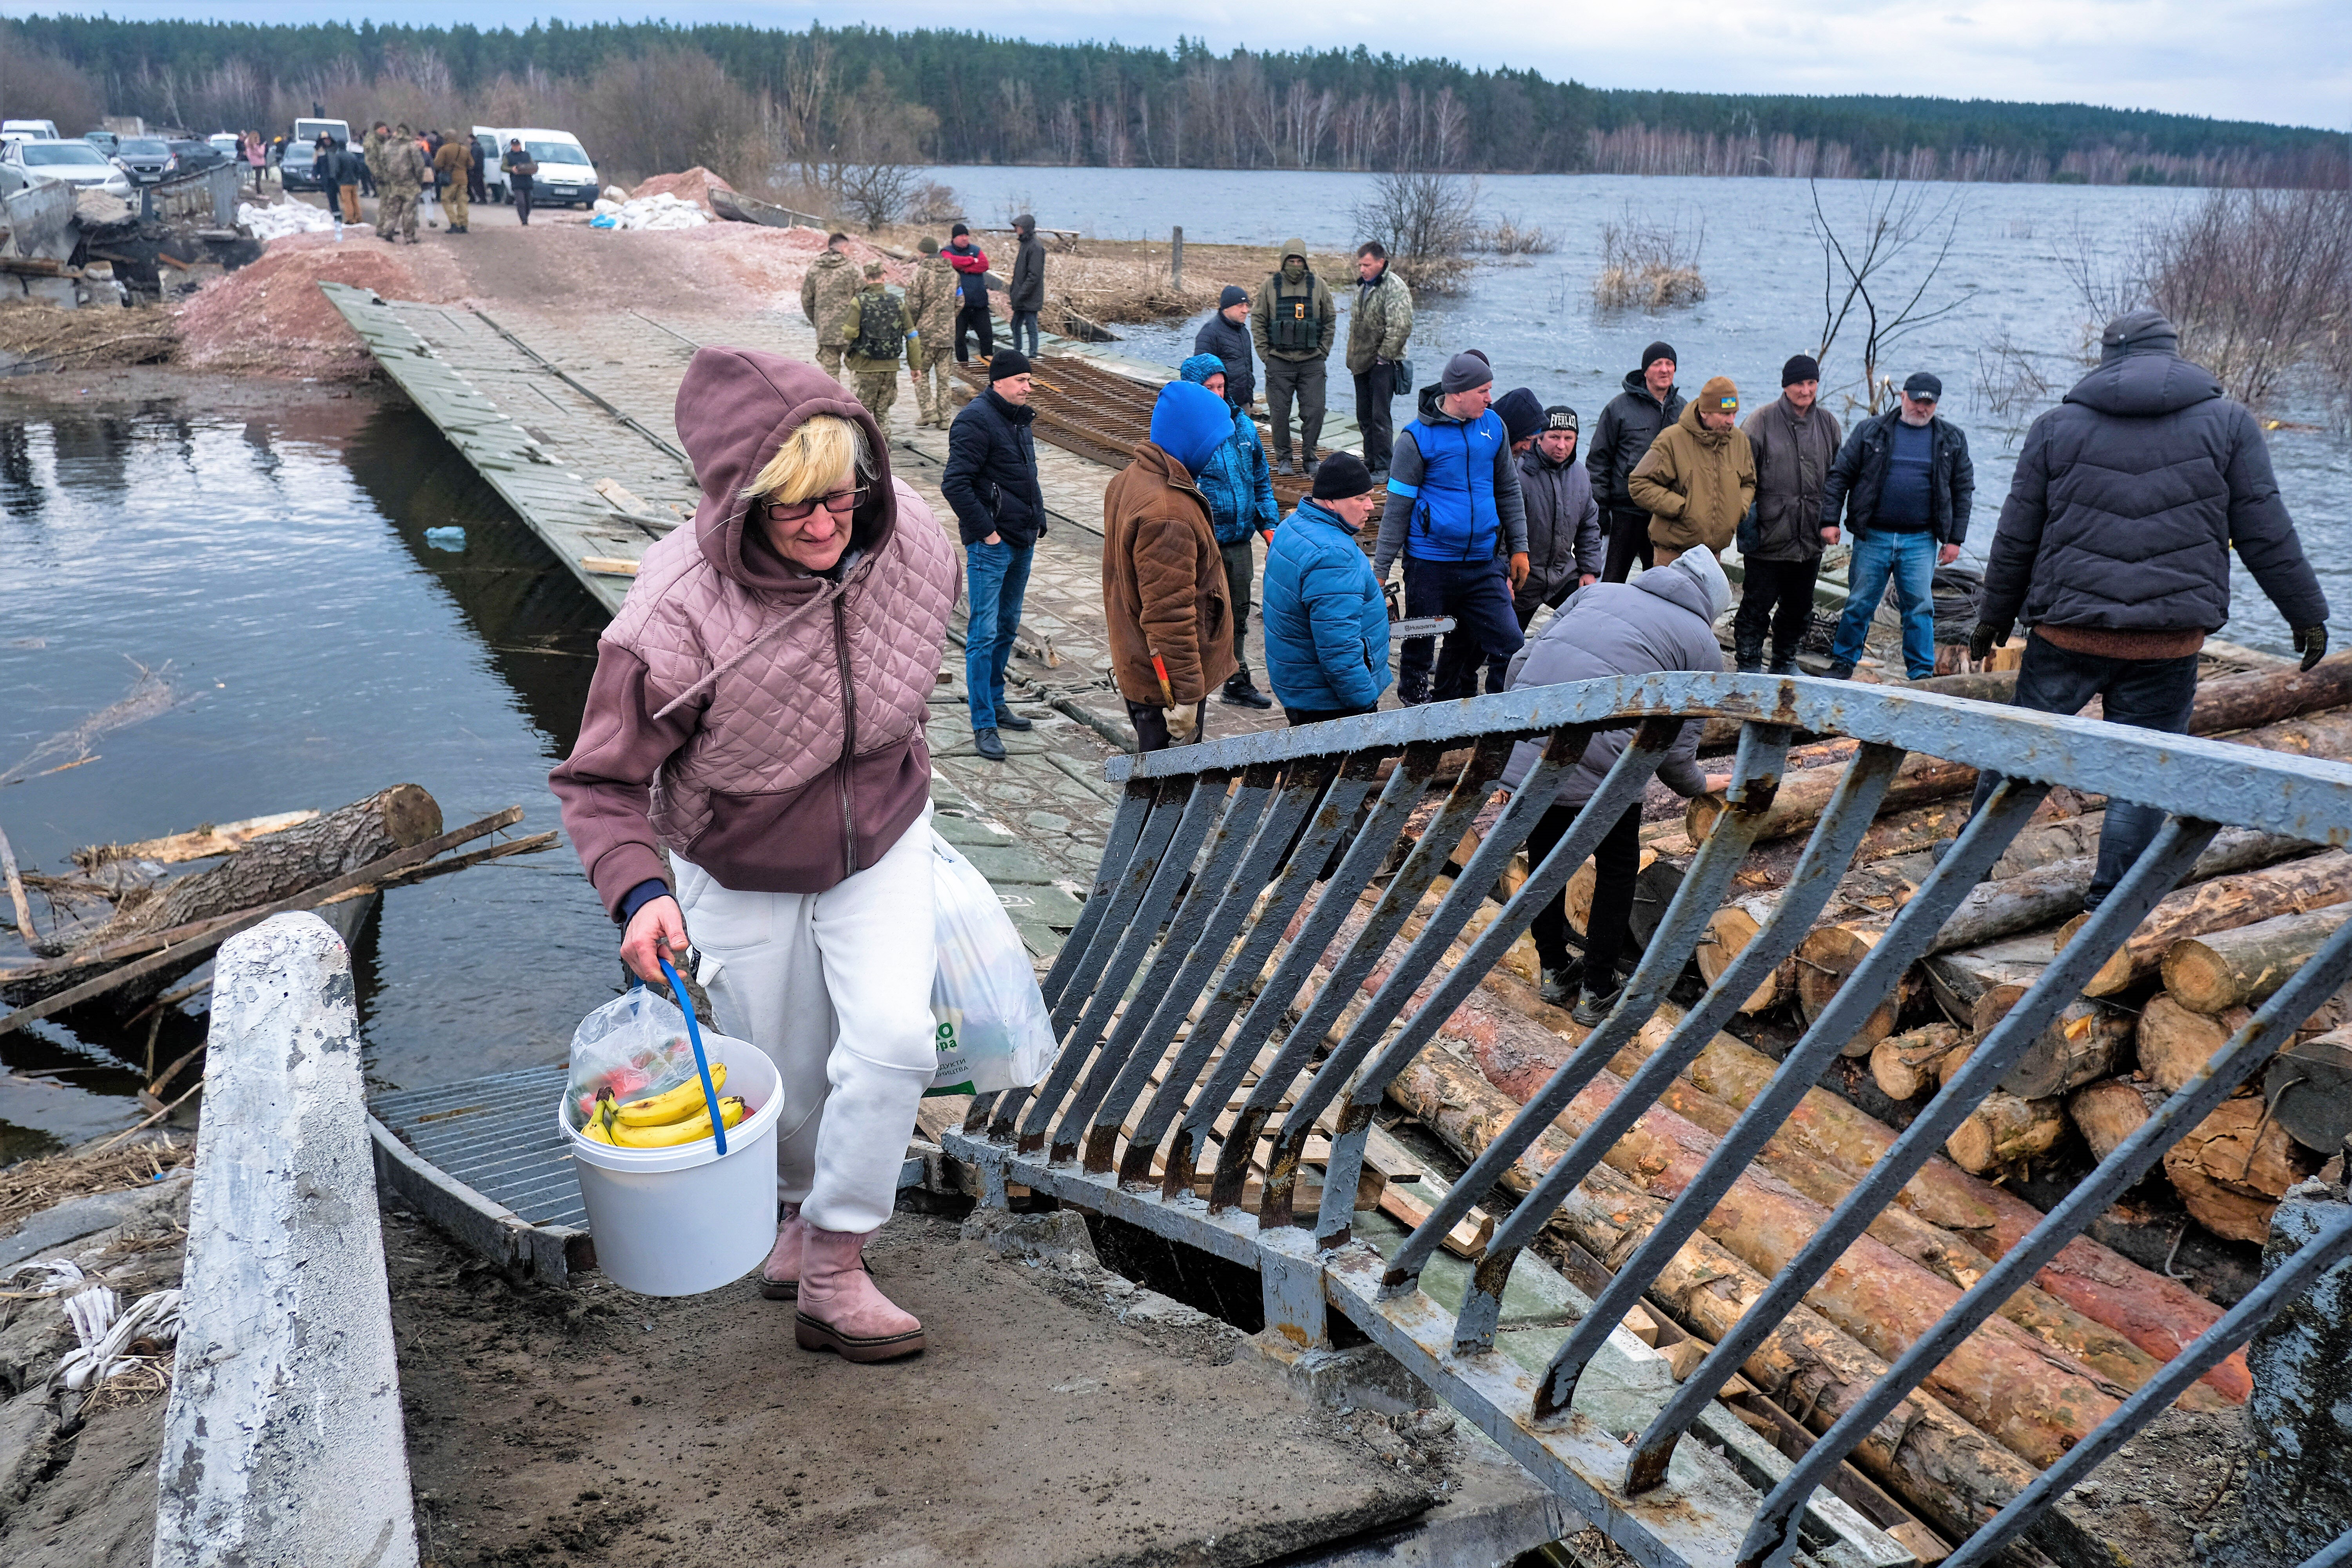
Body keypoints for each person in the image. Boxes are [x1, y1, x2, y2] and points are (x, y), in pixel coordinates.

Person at [548, 348, 958, 1363]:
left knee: (895, 1041)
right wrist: (639, 891)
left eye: (842, 495)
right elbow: (598, 782)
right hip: (736, 858)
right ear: (741, 502)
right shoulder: (673, 612)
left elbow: (908, 668)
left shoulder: (915, 540)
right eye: (793, 507)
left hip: (883, 831)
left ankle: (834, 1263)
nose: (825, 525)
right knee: (788, 1079)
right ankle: (791, 1212)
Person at [1967, 308, 2330, 910]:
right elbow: (2266, 530)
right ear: (2173, 353)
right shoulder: (2230, 424)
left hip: (2069, 631)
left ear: (2108, 358)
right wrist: (2306, 613)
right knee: (2143, 771)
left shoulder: (2056, 426)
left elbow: (2017, 534)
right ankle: (2109, 905)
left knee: (2023, 751)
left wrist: (1993, 617)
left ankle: (1967, 865)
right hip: (2169, 637)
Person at [1501, 548, 1733, 1019]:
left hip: (1532, 741)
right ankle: (1597, 987)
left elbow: (1520, 661)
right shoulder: (1703, 644)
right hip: (1604, 766)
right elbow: (1677, 757)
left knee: (1546, 854)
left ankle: (1553, 969)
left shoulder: (1598, 592)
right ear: (1711, 604)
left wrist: (1517, 740)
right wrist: (1705, 782)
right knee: (1617, 867)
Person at [1374, 352, 1529, 704]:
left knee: (1511, 645)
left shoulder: (1494, 427)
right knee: (1420, 645)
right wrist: (1380, 571)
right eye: (1483, 391)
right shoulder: (1415, 439)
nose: (1490, 398)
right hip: (1430, 564)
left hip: (1482, 564)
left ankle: (1502, 712)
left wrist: (1520, 548)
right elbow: (1397, 510)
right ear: (1457, 393)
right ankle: (1414, 704)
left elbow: (1508, 490)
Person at [1103, 380, 1240, 751]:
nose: (1216, 451)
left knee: (1157, 783)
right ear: (1191, 437)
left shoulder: (1130, 479)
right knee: (1169, 787)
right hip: (1164, 689)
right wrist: (1186, 697)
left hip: (1143, 665)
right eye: (1212, 441)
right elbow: (1169, 616)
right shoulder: (1168, 514)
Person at [1821, 371, 1975, 680]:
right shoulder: (1870, 431)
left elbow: (1963, 491)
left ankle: (1920, 673)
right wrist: (1829, 521)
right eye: (1916, 401)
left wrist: (1955, 540)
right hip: (1872, 536)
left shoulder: (1952, 439)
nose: (1922, 408)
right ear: (1903, 397)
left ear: (1936, 405)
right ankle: (1843, 663)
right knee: (1859, 603)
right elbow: (1840, 477)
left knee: (1919, 608)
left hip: (1921, 540)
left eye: (1929, 404)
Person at [942, 350, 1046, 763]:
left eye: (1030, 380)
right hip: (992, 545)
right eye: (1021, 380)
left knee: (1006, 627)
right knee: (982, 634)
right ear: (998, 381)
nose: (1028, 387)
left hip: (1023, 539)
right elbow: (956, 484)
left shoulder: (1019, 419)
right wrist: (988, 533)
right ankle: (983, 722)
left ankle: (998, 702)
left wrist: (1038, 519)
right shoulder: (975, 419)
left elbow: (1025, 477)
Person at [1176, 353, 1279, 710]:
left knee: (1238, 613)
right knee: (1199, 614)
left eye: (1221, 387)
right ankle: (1192, 683)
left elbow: (1261, 481)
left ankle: (1236, 679)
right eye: (1209, 388)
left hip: (1239, 541)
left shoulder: (1244, 427)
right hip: (1202, 542)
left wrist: (1269, 526)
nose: (1217, 394)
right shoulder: (1184, 432)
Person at [1261, 452, 1391, 725]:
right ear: (1331, 502)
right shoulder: (1333, 554)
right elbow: (1338, 650)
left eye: (1370, 496)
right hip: (1329, 702)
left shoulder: (1292, 526)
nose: (1370, 506)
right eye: (1360, 499)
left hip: (1300, 686)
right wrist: (1365, 702)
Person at [1735, 355, 1842, 674]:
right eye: (1798, 384)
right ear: (1785, 386)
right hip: (1768, 536)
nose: (1805, 390)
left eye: (1811, 383)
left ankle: (1784, 662)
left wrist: (1831, 520)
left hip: (1810, 536)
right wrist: (1748, 529)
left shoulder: (1828, 424)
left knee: (1799, 608)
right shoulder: (1760, 422)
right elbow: (1740, 478)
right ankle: (1749, 664)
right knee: (1756, 605)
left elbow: (1838, 478)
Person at [1628, 376, 1755, 569]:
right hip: (1673, 553)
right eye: (1725, 414)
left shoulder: (1739, 441)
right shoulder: (1672, 439)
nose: (1731, 421)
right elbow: (1639, 484)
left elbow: (1748, 482)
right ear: (1704, 412)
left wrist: (1739, 508)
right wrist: (1681, 508)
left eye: (1734, 413)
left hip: (1713, 555)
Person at [1586, 342, 1685, 583]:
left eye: (1670, 364)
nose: (1664, 370)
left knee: (1660, 584)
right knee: (1610, 583)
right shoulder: (1619, 408)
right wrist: (1600, 509)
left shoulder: (1684, 410)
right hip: (1624, 512)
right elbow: (1599, 460)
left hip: (1663, 514)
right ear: (1645, 371)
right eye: (1658, 364)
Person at [1253, 238, 1335, 477]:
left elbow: (1330, 319)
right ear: (1283, 261)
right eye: (1291, 260)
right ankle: (1284, 459)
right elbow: (1258, 320)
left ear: (1306, 261)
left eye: (1300, 260)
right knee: (1279, 413)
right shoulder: (1270, 286)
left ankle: (1310, 457)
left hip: (1312, 362)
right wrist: (1266, 355)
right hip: (1279, 361)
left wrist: (1323, 351)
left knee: (1315, 412)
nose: (1296, 265)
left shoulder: (1319, 285)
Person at [1515, 405, 1603, 622]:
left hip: (1562, 575)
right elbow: (1502, 532)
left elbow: (1589, 528)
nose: (1562, 446)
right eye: (1554, 437)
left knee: (1593, 621)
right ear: (1539, 438)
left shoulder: (1581, 475)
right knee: (1508, 641)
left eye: (1569, 438)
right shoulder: (1517, 472)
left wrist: (1589, 571)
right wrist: (1503, 577)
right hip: (1522, 579)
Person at [1346, 242, 1414, 478]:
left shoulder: (1394, 287)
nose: (1362, 269)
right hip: (1362, 362)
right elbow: (1355, 327)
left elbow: (1401, 326)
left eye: (1367, 265)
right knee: (1364, 415)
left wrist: (1384, 357)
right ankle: (1371, 461)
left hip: (1385, 364)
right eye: (1360, 265)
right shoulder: (1363, 288)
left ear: (1381, 263)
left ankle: (1385, 466)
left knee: (1380, 416)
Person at [840, 261, 908, 428]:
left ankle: (864, 442)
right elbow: (912, 335)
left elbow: (850, 332)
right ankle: (885, 441)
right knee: (883, 411)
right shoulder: (898, 302)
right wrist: (916, 366)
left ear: (866, 278)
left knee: (861, 413)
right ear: (884, 277)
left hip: (865, 366)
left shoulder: (859, 301)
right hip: (890, 366)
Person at [904, 236, 959, 429]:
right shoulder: (953, 274)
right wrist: (948, 319)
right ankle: (945, 418)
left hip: (925, 334)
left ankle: (928, 411)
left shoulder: (921, 273)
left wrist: (911, 326)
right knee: (944, 378)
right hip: (947, 335)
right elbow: (960, 301)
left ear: (923, 252)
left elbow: (913, 304)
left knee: (921, 372)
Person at [799, 234, 861, 383]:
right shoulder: (852, 269)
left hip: (825, 331)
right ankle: (854, 399)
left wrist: (818, 321)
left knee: (829, 379)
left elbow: (807, 300)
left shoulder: (815, 269)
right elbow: (862, 298)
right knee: (857, 374)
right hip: (850, 331)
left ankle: (833, 399)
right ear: (844, 248)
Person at [1192, 287, 1256, 411]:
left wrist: (1250, 399)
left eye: (1247, 306)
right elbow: (1201, 373)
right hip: (1221, 405)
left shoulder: (1243, 331)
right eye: (1240, 306)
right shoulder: (1209, 333)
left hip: (1243, 403)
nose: (1246, 311)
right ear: (1226, 308)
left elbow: (1248, 367)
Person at [945, 224, 994, 363]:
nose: (965, 239)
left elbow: (984, 265)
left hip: (979, 303)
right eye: (962, 236)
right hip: (959, 306)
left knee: (987, 336)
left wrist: (965, 269)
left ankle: (988, 365)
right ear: (954, 238)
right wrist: (971, 261)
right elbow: (950, 262)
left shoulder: (976, 250)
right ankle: (964, 366)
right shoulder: (947, 251)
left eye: (966, 236)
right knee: (959, 339)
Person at [376, 126, 426, 244]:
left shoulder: (387, 146)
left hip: (394, 184)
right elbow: (419, 166)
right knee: (409, 212)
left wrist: (388, 177)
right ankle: (409, 237)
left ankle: (387, 232)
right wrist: (419, 180)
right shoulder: (411, 146)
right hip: (410, 184)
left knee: (392, 210)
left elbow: (382, 163)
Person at [1007, 214, 1044, 358]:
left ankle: (1033, 354)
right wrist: (1015, 292)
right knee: (1015, 324)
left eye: (1018, 227)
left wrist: (1020, 294)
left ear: (1026, 228)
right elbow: (1020, 273)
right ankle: (1017, 352)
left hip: (1030, 296)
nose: (1016, 230)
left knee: (1031, 326)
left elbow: (1034, 276)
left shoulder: (1036, 247)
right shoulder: (1025, 244)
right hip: (1022, 296)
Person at [432, 130, 470, 234]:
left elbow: (437, 164)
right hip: (463, 179)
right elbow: (471, 164)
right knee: (462, 202)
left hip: (450, 179)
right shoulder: (465, 149)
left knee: (446, 200)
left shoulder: (444, 149)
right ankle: (464, 224)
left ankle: (454, 223)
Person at [321, 135, 361, 228]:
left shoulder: (338, 156)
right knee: (355, 200)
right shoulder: (352, 156)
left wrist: (337, 179)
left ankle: (350, 219)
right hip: (354, 182)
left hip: (344, 183)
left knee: (347, 201)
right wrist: (356, 179)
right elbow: (358, 169)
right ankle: (359, 217)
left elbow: (338, 170)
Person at [501, 138, 534, 225]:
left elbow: (533, 165)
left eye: (517, 145)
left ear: (520, 145)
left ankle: (525, 217)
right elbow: (503, 167)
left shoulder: (526, 155)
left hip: (527, 182)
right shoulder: (508, 156)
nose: (516, 147)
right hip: (517, 182)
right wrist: (512, 169)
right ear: (512, 146)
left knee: (528, 203)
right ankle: (524, 221)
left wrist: (531, 169)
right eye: (514, 146)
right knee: (521, 202)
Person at [466, 134, 486, 206]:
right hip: (480, 169)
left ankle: (482, 199)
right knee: (480, 184)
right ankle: (483, 199)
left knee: (477, 185)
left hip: (476, 170)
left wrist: (471, 168)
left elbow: (474, 159)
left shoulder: (475, 148)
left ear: (471, 139)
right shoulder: (479, 147)